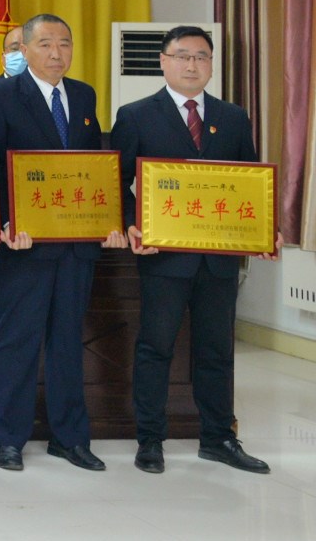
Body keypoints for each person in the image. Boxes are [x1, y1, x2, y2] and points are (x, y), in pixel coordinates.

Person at [115, 25, 276, 475]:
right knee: (156, 348)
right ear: (163, 61)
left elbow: (250, 182)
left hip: (219, 258)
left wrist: (266, 230)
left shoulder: (233, 117)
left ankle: (218, 438)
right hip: (164, 257)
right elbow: (117, 181)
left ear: (211, 64)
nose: (192, 65)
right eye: (182, 56)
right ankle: (150, 439)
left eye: (201, 57)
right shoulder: (136, 115)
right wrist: (131, 223)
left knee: (217, 351)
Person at [0, 12, 125, 472]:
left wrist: (108, 220)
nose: (57, 53)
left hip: (76, 243)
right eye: (45, 44)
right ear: (24, 50)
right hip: (23, 243)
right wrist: (4, 221)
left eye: (65, 44)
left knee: (67, 341)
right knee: (15, 341)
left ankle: (70, 437)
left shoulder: (83, 95)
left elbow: (93, 167)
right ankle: (7, 438)